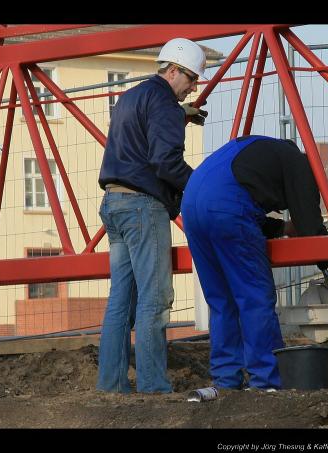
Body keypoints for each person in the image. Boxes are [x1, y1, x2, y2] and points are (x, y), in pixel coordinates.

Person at [181, 135, 328, 391]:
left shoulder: (256, 151)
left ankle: (226, 381)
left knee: (221, 300)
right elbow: (310, 225)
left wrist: (283, 227)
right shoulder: (300, 163)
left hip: (192, 205)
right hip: (227, 205)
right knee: (254, 299)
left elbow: (241, 209)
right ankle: (266, 381)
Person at [96, 38, 208, 393]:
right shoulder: (163, 101)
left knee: (120, 300)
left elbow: (141, 142)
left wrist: (180, 114)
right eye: (190, 78)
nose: (193, 87)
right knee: (155, 299)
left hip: (114, 204)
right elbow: (165, 161)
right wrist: (202, 185)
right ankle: (153, 385)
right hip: (143, 207)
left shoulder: (131, 96)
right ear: (172, 70)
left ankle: (111, 385)